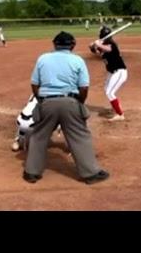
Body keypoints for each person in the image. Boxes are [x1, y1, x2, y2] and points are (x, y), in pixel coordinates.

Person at [24, 31, 109, 185]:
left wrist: (41, 100)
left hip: (47, 102)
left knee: (38, 136)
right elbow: (83, 87)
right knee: (79, 136)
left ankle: (31, 172)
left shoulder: (43, 58)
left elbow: (34, 84)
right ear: (73, 45)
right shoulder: (77, 60)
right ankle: (90, 174)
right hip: (70, 101)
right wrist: (79, 103)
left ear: (54, 44)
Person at [91, 26, 128, 121]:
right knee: (107, 89)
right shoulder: (104, 44)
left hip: (119, 72)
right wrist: (92, 47)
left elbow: (108, 49)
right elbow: (98, 52)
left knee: (110, 92)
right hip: (111, 72)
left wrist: (98, 44)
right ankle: (115, 107)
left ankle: (120, 115)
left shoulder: (111, 44)